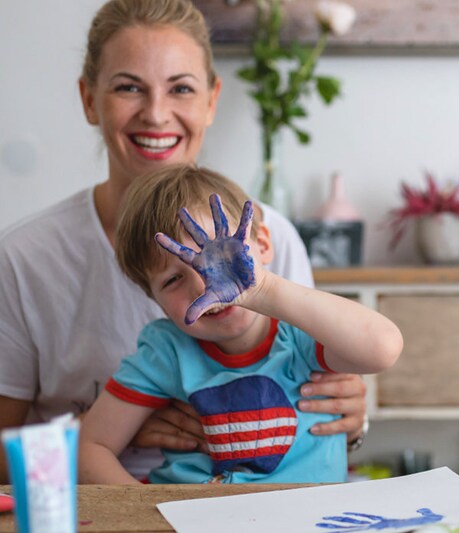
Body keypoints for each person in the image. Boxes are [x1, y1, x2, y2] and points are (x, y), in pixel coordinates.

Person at [0, 0, 368, 484]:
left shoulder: (270, 236)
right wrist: (106, 429)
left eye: (181, 88)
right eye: (129, 87)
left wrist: (352, 417)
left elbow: (335, 374)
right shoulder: (24, 258)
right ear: (90, 100)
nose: (156, 114)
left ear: (212, 100)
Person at [78, 165, 402, 484]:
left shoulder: (302, 330)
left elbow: (384, 348)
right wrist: (148, 515)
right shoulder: (167, 351)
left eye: (225, 260)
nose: (206, 286)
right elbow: (90, 449)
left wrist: (262, 289)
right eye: (174, 279)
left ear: (262, 244)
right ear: (152, 297)